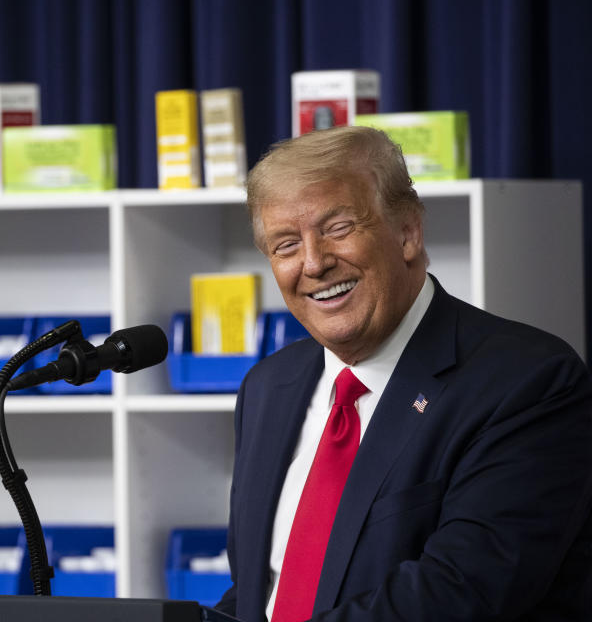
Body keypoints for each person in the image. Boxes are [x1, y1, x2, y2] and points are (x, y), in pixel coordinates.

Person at [214, 126, 592, 622]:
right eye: (286, 245)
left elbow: (458, 595)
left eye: (338, 227)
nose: (314, 263)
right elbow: (260, 592)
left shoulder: (528, 382)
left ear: (408, 231)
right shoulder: (267, 387)